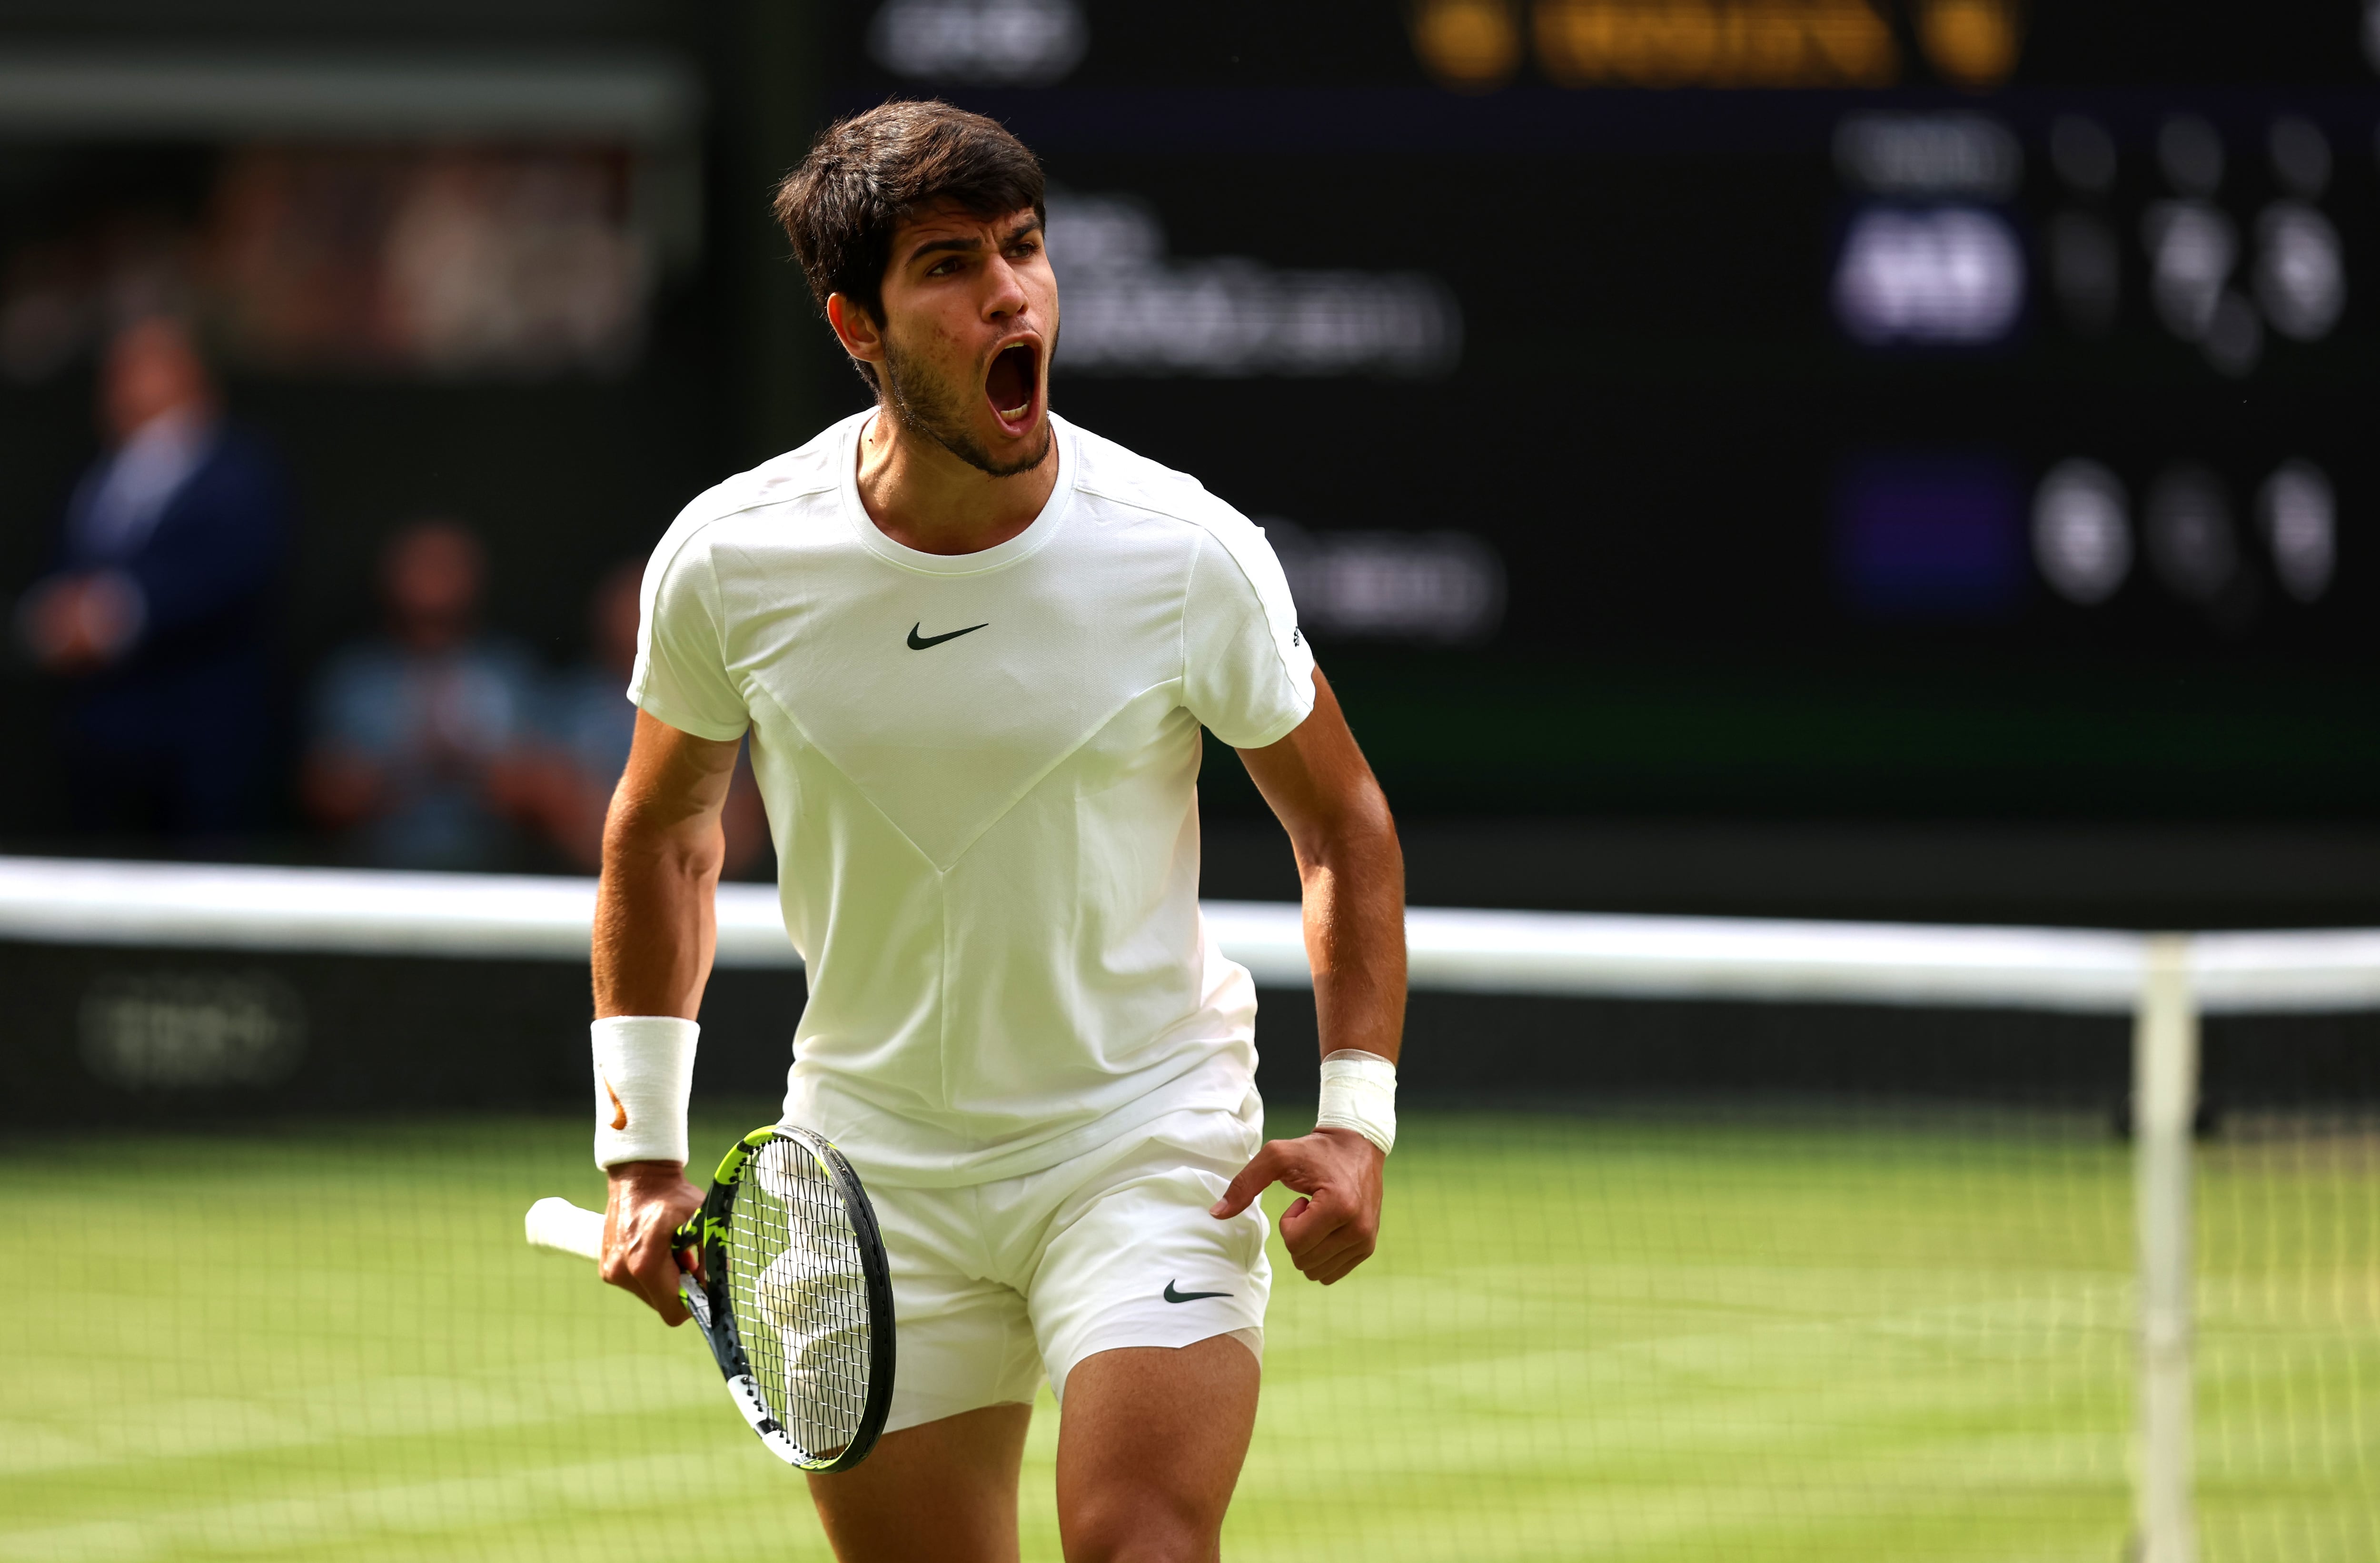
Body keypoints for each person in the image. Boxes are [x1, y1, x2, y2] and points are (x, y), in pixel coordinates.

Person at [593, 102, 1407, 1560]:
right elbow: (661, 837)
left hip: (1143, 1138)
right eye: (951, 265)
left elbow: (1342, 821)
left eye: (1023, 251)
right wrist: (641, 1153)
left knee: (1137, 1540)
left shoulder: (1186, 551)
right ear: (858, 324)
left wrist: (1356, 1120)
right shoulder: (727, 561)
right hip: (871, 1166)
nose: (1008, 292)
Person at [16, 317, 290, 841]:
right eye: (115, 372)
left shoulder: (240, 468)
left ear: (189, 374)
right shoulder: (98, 476)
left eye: (140, 368)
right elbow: (67, 569)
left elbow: (233, 568)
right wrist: (49, 619)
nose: (120, 385)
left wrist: (112, 614)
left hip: (203, 737)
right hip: (105, 737)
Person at [301, 518, 540, 869]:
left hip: (490, 881)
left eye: (448, 566)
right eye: (421, 565)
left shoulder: (509, 671)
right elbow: (322, 798)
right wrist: (410, 761)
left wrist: (466, 761)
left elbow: (550, 796)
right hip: (377, 880)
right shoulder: (353, 677)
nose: (434, 582)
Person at [527, 559, 769, 875]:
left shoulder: (735, 709)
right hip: (585, 891)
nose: (640, 614)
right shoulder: (566, 708)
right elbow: (558, 811)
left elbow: (741, 833)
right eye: (633, 600)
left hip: (716, 896)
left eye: (658, 598)